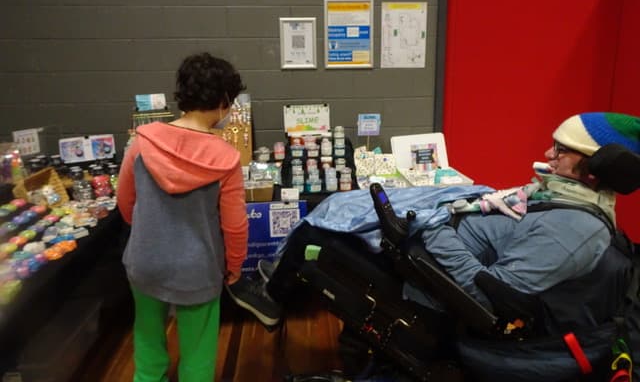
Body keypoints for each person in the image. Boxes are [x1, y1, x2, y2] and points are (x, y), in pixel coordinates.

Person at [229, 112, 640, 333]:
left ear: (593, 169)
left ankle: (274, 301)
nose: (548, 155)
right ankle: (280, 290)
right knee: (343, 207)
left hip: (429, 283)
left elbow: (488, 297)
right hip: (429, 251)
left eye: (561, 151)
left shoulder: (575, 232)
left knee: (319, 235)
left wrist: (433, 226)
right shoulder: (556, 198)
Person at [117, 52, 248, 382]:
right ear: (222, 102)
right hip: (198, 268)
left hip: (145, 260)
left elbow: (125, 202)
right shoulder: (227, 159)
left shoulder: (141, 143)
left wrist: (150, 232)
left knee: (147, 346)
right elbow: (234, 224)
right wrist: (234, 264)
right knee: (198, 354)